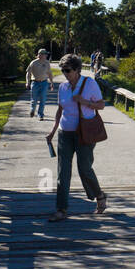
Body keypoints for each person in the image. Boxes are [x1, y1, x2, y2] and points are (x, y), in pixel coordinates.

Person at [45, 53, 108, 221]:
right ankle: (61, 209)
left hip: (84, 132)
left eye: (68, 70)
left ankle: (100, 196)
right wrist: (52, 131)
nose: (65, 74)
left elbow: (101, 105)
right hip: (65, 132)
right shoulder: (63, 87)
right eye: (63, 70)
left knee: (85, 169)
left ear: (78, 70)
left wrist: (84, 102)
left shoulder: (90, 84)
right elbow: (60, 110)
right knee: (62, 172)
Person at [27, 49, 54, 119]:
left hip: (44, 83)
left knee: (43, 99)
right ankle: (32, 110)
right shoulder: (33, 63)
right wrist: (28, 83)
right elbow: (28, 73)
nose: (46, 56)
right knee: (34, 99)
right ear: (41, 55)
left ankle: (40, 114)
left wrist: (51, 83)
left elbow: (50, 73)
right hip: (35, 83)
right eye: (45, 54)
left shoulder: (47, 63)